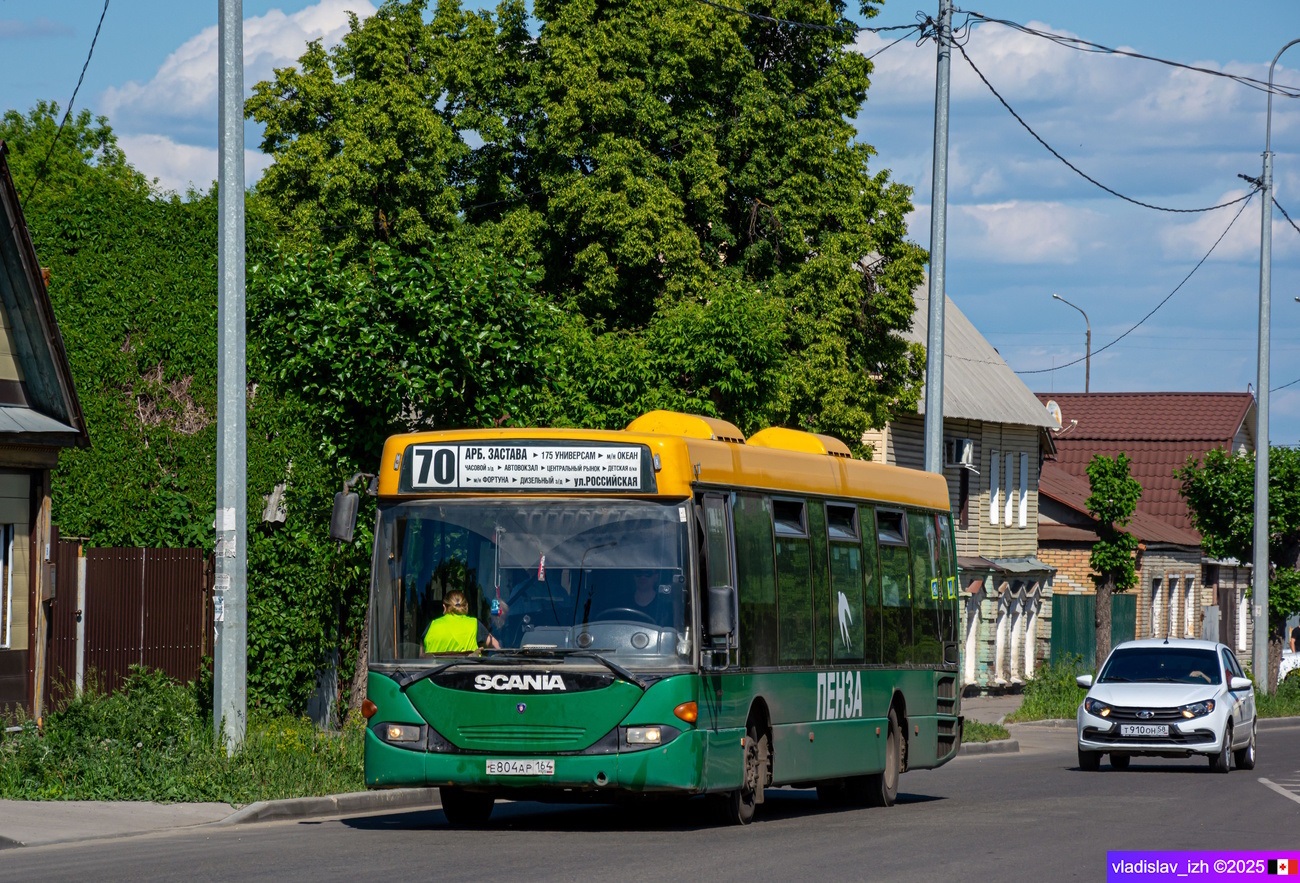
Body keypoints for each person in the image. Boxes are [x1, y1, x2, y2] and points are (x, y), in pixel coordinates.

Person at [422, 589, 498, 655]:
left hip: (434, 668)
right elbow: (496, 646)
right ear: (466, 606)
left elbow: (421, 656)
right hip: (468, 668)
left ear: (444, 607)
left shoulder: (431, 626)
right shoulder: (474, 624)